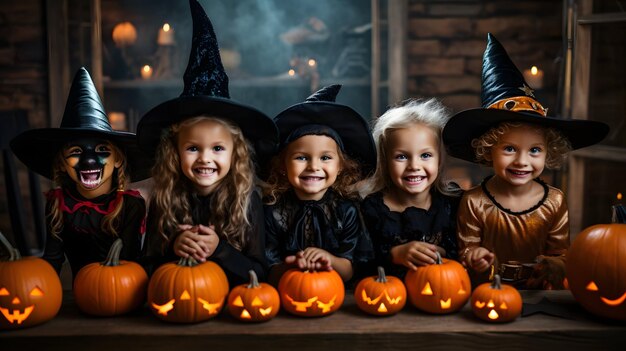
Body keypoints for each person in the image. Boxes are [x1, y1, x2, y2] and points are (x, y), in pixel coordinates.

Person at [442, 33, 609, 289]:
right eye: (509, 149)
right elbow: (465, 252)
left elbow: (560, 254)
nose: (522, 161)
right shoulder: (474, 202)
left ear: (549, 151)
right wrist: (474, 257)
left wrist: (555, 265)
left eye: (534, 151)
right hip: (486, 292)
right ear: (488, 150)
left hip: (541, 294)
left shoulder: (554, 201)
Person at [137, 0, 278, 287]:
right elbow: (146, 270)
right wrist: (174, 247)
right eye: (192, 148)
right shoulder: (165, 196)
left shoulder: (246, 198)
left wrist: (220, 250)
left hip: (235, 309)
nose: (205, 158)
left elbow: (261, 274)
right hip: (178, 302)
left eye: (217, 148)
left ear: (235, 152)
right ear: (174, 152)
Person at [10, 67, 151, 278]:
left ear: (118, 160)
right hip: (81, 294)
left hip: (124, 292)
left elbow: (131, 262)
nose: (89, 160)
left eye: (102, 150)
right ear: (61, 164)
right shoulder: (58, 204)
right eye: (76, 152)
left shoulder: (130, 205)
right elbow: (52, 260)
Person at [263, 84, 375, 285]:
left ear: (341, 166)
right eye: (301, 158)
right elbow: (269, 272)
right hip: (286, 293)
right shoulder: (272, 211)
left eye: (325, 158)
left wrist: (329, 259)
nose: (314, 166)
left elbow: (351, 271)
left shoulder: (347, 210)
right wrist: (291, 265)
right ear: (282, 166)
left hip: (338, 297)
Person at [360, 99, 462, 279]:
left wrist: (445, 255)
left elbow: (467, 252)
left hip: (441, 294)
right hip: (389, 298)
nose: (414, 166)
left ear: (439, 159)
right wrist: (394, 254)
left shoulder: (453, 203)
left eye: (425, 155)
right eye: (401, 157)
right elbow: (360, 263)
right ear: (385, 161)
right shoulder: (371, 209)